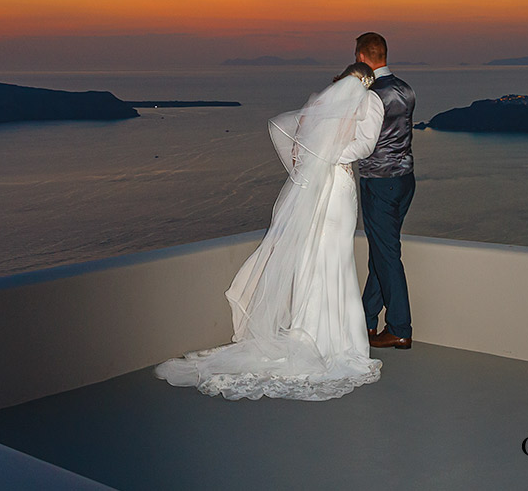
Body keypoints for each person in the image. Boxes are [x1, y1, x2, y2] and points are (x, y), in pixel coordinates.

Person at [154, 63, 385, 400]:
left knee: (312, 260)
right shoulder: (364, 104)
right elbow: (363, 147)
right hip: (339, 188)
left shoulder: (318, 104)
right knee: (336, 260)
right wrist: (333, 155)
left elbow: (281, 129)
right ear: (365, 83)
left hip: (318, 185)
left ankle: (308, 333)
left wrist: (307, 166)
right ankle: (339, 343)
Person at [354, 32, 417, 350]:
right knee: (381, 253)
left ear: (361, 57)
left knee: (387, 256)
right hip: (406, 180)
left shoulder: (369, 95)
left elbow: (364, 142)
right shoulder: (406, 88)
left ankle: (399, 328)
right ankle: (364, 322)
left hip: (380, 182)